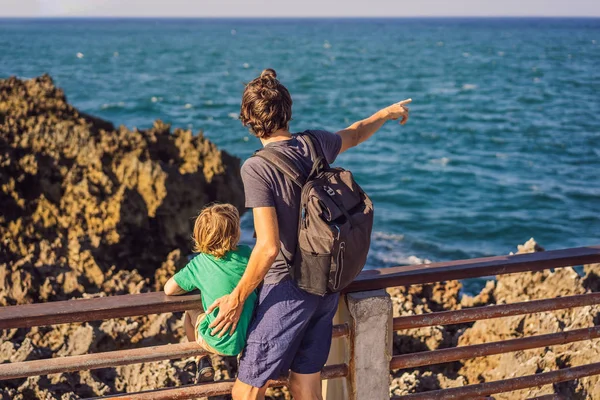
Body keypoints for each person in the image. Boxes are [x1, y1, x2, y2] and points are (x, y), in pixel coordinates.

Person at [206, 68, 411, 400]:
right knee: (305, 381)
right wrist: (387, 113)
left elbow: (268, 246)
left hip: (288, 287)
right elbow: (356, 133)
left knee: (248, 386)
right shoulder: (316, 142)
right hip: (326, 279)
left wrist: (236, 299)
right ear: (288, 112)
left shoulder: (257, 168)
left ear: (247, 120)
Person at [163, 203, 256, 384]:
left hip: (215, 340)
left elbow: (169, 289)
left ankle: (201, 359)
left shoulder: (199, 264)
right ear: (235, 233)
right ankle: (242, 361)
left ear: (198, 235)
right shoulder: (247, 254)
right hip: (248, 337)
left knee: (190, 314)